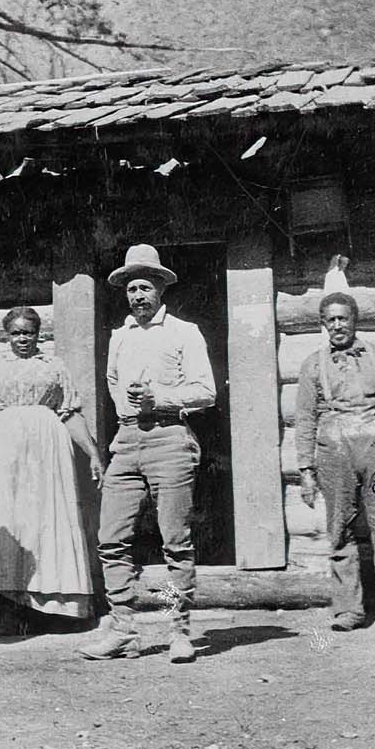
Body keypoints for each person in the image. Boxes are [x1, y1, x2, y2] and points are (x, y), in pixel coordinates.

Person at [80, 244, 215, 664]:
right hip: (126, 442)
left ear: (160, 289)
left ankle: (179, 630)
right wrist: (131, 409)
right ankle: (123, 629)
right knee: (111, 539)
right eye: (131, 288)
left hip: (170, 439)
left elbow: (206, 392)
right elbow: (114, 384)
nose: (138, 295)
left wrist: (160, 398)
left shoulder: (184, 332)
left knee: (176, 541)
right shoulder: (119, 337)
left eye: (145, 287)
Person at [0, 306, 105, 634]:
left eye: (28, 333)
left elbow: (71, 414)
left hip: (46, 457)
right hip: (0, 456)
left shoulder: (54, 367)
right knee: (6, 523)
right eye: (16, 333)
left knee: (42, 524)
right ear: (6, 336)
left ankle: (49, 612)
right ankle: (5, 609)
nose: (22, 339)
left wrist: (93, 454)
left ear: (38, 334)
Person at [294, 292, 375, 633]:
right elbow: (305, 418)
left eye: (344, 318)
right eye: (331, 319)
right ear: (323, 324)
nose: (338, 325)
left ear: (355, 320)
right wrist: (306, 470)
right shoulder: (312, 363)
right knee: (341, 530)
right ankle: (349, 610)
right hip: (334, 450)